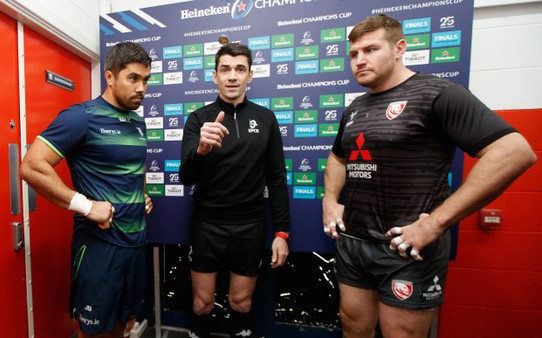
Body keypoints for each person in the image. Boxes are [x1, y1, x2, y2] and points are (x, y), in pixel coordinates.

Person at [322, 14, 537, 337]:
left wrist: (435, 223)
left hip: (405, 249)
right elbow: (338, 158)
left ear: (399, 48)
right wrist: (329, 200)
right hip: (353, 244)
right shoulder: (355, 109)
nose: (360, 60)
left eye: (370, 49)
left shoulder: (438, 93)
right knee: (353, 327)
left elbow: (515, 152)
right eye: (354, 54)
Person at [19, 41, 153, 338]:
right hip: (99, 248)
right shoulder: (81, 116)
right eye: (133, 78)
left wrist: (139, 195)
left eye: (145, 80)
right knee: (95, 333)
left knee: (125, 326)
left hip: (135, 245)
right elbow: (31, 166)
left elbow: (133, 169)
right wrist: (86, 205)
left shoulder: (138, 122)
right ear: (109, 76)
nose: (141, 87)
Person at [180, 43, 290, 338]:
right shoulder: (198, 119)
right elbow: (185, 177)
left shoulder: (266, 119)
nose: (232, 76)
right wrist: (201, 149)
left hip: (249, 226)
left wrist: (282, 233)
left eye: (239, 69)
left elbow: (277, 178)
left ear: (250, 75)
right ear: (214, 76)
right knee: (202, 304)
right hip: (207, 224)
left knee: (241, 302)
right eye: (225, 69)